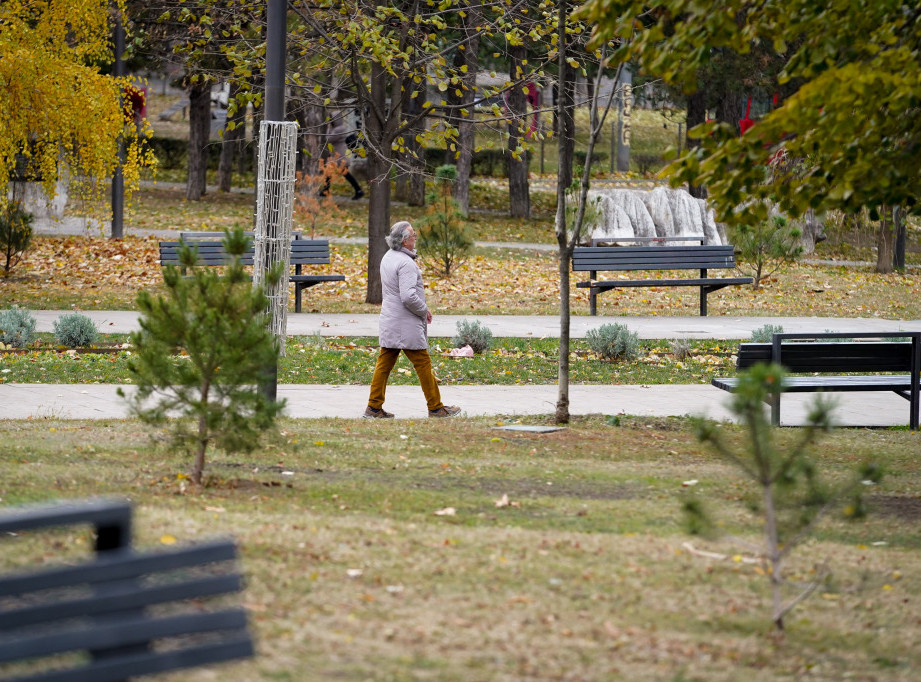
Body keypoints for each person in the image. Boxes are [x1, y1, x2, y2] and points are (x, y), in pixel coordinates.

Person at [364, 221, 461, 419]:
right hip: (405, 323)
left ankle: (374, 407)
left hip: (391, 318)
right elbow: (408, 296)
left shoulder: (388, 257)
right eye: (413, 235)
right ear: (405, 241)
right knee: (423, 363)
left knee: (384, 363)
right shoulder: (406, 263)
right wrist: (424, 310)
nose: (416, 237)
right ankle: (436, 407)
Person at [321, 115, 364, 200]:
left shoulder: (338, 129)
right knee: (329, 173)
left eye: (331, 119)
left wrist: (328, 127)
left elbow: (328, 139)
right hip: (338, 156)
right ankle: (326, 190)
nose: (330, 121)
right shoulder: (338, 128)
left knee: (345, 174)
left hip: (340, 157)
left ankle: (359, 190)